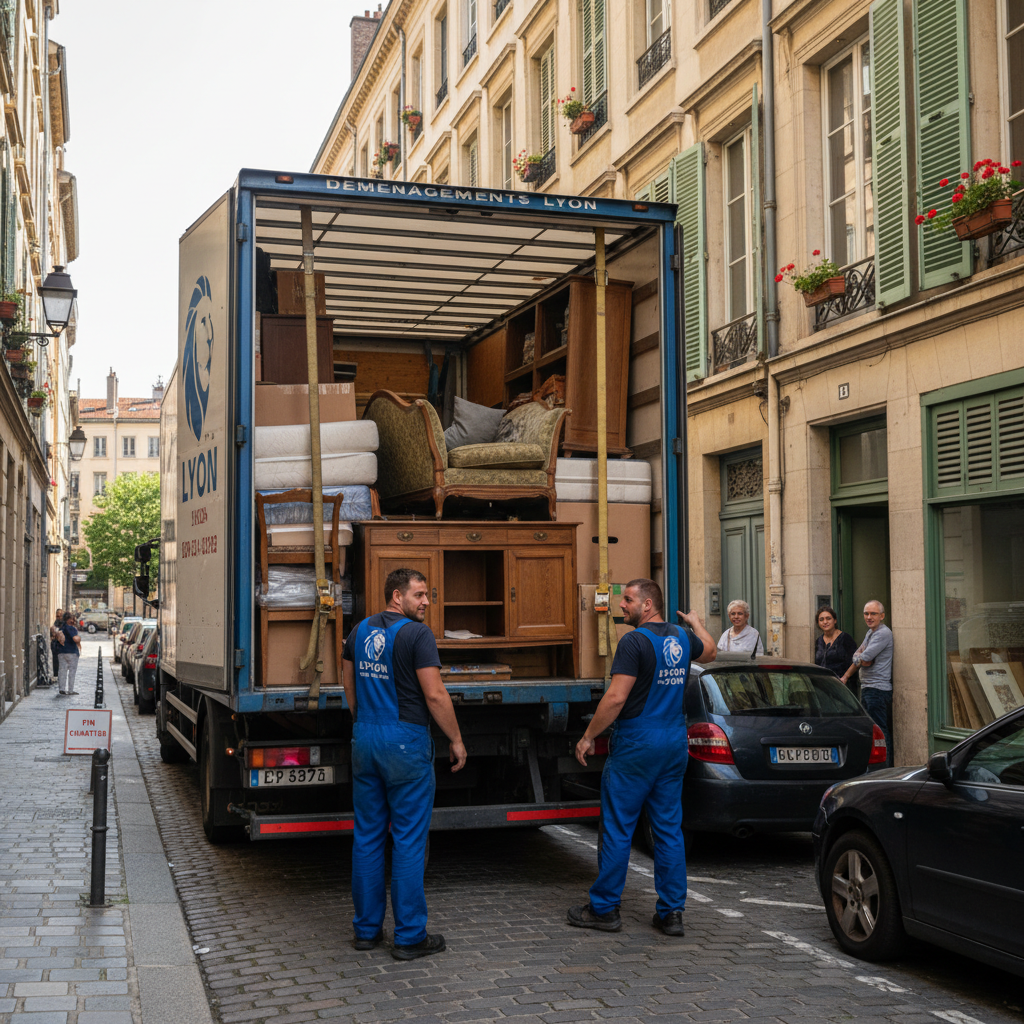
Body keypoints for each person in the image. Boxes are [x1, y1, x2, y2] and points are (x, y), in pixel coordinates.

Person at [567, 579, 716, 936]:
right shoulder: (681, 637)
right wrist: (695, 622)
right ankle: (671, 913)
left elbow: (617, 698)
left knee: (618, 826)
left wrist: (589, 736)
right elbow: (710, 651)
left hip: (637, 743)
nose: (623, 606)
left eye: (628, 600)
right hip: (673, 742)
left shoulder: (633, 642)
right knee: (667, 829)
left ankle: (604, 909)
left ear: (648, 605)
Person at [341, 567, 467, 961]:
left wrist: (362, 722)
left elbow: (348, 683)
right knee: (409, 840)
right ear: (397, 596)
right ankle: (410, 936)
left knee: (367, 836)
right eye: (420, 594)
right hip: (405, 744)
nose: (426, 601)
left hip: (365, 737)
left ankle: (366, 931)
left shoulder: (358, 631)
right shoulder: (417, 634)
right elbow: (435, 695)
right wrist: (456, 739)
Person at [841, 600, 893, 767]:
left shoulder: (883, 633)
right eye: (866, 613)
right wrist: (860, 658)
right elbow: (858, 655)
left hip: (877, 690)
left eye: (873, 614)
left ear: (882, 616)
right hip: (868, 688)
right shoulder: (871, 633)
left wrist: (861, 657)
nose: (869, 617)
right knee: (873, 731)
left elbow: (865, 657)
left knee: (880, 732)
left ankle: (884, 769)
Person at [814, 606, 857, 681]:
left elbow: (856, 661)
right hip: (823, 684)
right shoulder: (819, 641)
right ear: (818, 623)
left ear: (835, 620)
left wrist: (845, 677)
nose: (825, 622)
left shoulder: (845, 638)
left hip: (842, 684)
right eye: (821, 619)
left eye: (828, 618)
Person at [55, 611, 81, 696]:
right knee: (72, 672)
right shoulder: (71, 628)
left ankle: (61, 688)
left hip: (61, 652)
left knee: (62, 670)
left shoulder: (61, 628)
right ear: (70, 619)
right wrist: (79, 639)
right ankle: (70, 690)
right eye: (72, 619)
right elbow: (75, 639)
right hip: (72, 652)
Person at [49, 608, 64, 684]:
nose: (58, 617)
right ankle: (56, 674)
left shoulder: (64, 623)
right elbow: (52, 632)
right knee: (55, 659)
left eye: (60, 615)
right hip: (55, 644)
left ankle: (60, 675)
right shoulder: (56, 622)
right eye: (57, 616)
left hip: (61, 645)